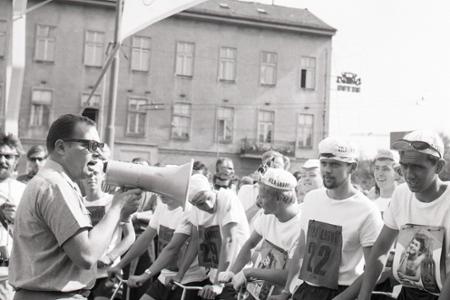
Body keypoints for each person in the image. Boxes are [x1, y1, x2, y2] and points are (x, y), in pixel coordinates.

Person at [9, 114, 143, 300]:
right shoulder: (56, 185)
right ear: (61, 147)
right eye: (90, 145)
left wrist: (121, 212)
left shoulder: (51, 182)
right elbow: (86, 255)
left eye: (99, 146)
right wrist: (116, 208)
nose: (96, 153)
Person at [274, 136, 383, 300]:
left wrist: (343, 298)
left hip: (342, 291)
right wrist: (286, 291)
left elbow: (374, 268)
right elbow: (301, 248)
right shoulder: (311, 199)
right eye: (324, 163)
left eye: (335, 165)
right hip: (305, 289)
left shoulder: (367, 210)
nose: (327, 170)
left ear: (352, 167)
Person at [357, 130, 450, 300]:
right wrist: (364, 296)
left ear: (439, 166)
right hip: (408, 292)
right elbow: (381, 248)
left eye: (418, 167)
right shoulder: (401, 194)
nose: (409, 174)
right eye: (404, 166)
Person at [218, 168, 301, 299]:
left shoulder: (300, 227)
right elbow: (250, 244)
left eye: (262, 196)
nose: (259, 201)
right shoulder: (267, 215)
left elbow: (288, 275)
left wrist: (250, 272)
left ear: (279, 198)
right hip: (257, 292)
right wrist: (232, 272)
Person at [109, 196, 208, 300]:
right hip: (164, 277)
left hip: (189, 280)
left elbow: (172, 249)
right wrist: (119, 265)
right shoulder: (161, 206)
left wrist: (145, 275)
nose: (162, 193)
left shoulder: (189, 210)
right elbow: (145, 239)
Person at [179, 174, 250, 299]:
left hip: (235, 275)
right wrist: (180, 274)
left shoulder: (228, 198)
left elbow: (229, 240)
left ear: (212, 187)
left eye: (208, 198)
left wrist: (218, 284)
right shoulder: (195, 209)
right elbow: (195, 242)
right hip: (215, 275)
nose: (207, 205)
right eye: (200, 203)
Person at [81, 161, 136, 300]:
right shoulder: (78, 202)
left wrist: (110, 257)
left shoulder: (114, 201)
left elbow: (130, 236)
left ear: (103, 176)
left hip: (108, 274)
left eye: (95, 174)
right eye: (87, 174)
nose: (91, 178)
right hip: (81, 276)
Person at [0, 133, 26, 300]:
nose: (3, 161)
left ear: (16, 159)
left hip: (10, 273)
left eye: (8, 156)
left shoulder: (25, 190)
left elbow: (35, 233)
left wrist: (16, 219)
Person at [367, 149, 400, 214]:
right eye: (377, 168)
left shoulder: (404, 200)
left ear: (397, 173)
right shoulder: (369, 201)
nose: (380, 173)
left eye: (385, 169)